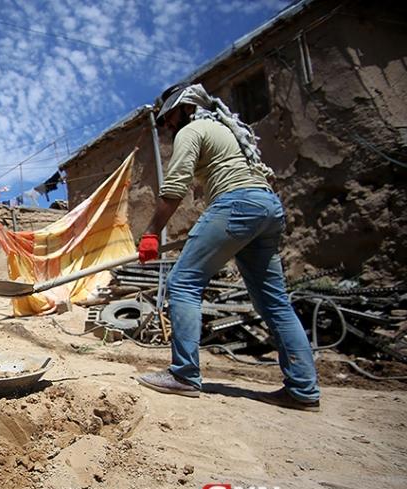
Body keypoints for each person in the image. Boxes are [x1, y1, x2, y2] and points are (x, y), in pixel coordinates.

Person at [136, 83, 320, 412]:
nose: (165, 127)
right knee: (274, 302)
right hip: (266, 207)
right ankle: (303, 389)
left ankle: (183, 375)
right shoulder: (226, 131)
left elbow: (176, 185)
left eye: (166, 119)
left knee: (183, 282)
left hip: (236, 204)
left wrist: (151, 233)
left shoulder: (192, 129)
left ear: (182, 109)